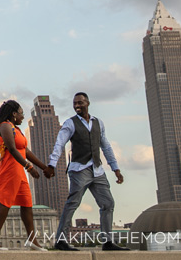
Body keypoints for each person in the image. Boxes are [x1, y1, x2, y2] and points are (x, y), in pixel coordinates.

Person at [43, 92, 128, 251]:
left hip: (97, 169)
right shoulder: (70, 123)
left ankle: (107, 242)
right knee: (72, 204)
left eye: (80, 103)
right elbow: (59, 144)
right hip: (79, 170)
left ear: (87, 103)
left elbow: (106, 146)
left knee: (108, 203)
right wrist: (51, 165)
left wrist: (115, 168)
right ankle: (61, 241)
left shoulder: (98, 123)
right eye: (75, 103)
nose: (77, 106)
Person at [0, 100, 50, 251]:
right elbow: (13, 150)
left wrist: (44, 167)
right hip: (11, 170)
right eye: (21, 113)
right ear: (14, 114)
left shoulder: (16, 129)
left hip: (19, 171)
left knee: (27, 204)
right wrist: (28, 166)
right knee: (5, 202)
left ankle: (32, 240)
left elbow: (25, 151)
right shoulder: (5, 126)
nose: (22, 116)